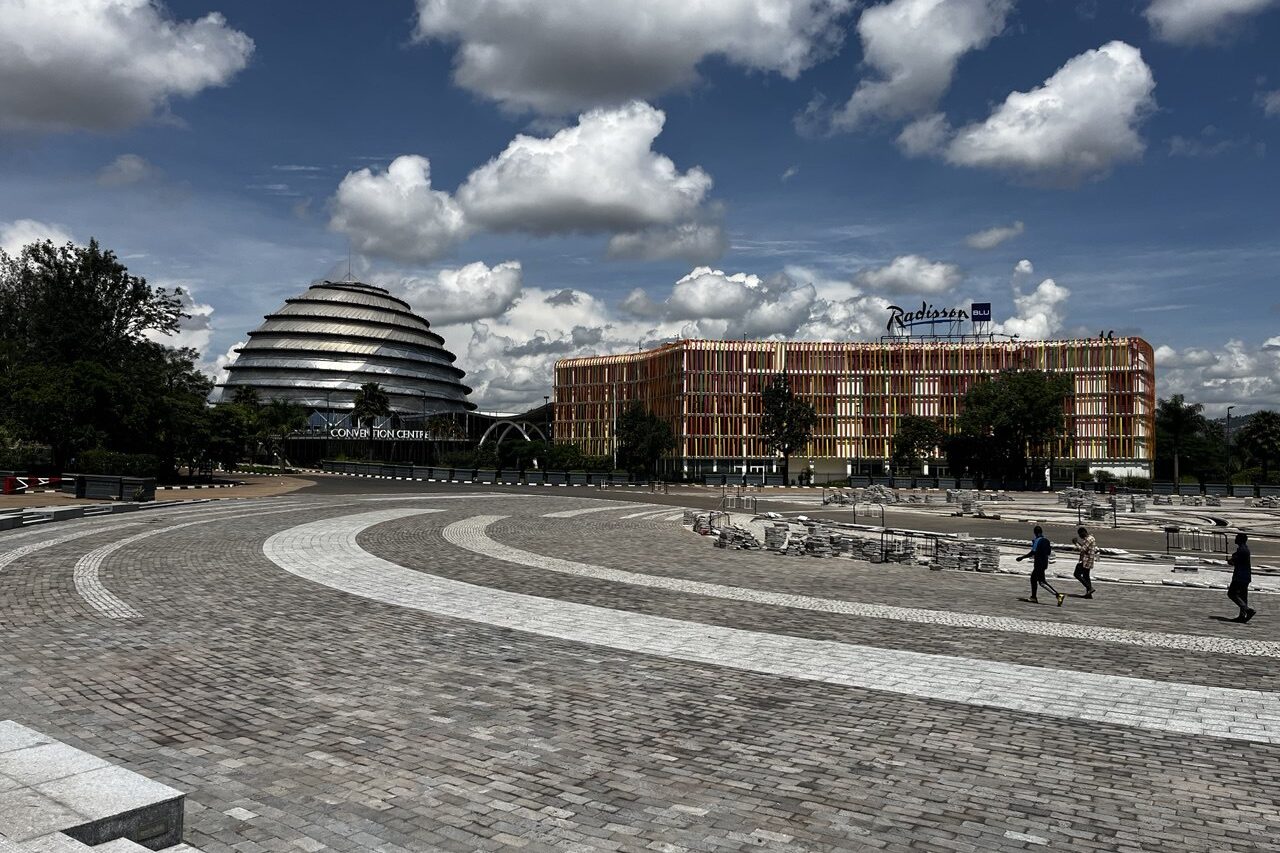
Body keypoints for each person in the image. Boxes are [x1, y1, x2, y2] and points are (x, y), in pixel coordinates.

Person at [1017, 525, 1064, 606]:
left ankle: (1058, 595)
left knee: (1042, 582)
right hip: (1045, 563)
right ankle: (1033, 597)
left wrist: (1022, 557)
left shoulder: (1037, 540)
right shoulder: (1046, 540)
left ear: (1035, 533)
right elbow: (1049, 552)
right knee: (1033, 579)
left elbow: (1033, 552)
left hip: (1039, 563)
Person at [1227, 532, 1256, 623]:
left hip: (1240, 576)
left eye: (1236, 537)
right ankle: (1242, 616)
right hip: (1246, 576)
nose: (1235, 539)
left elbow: (1234, 561)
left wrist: (1231, 560)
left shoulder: (1242, 550)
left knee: (1232, 593)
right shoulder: (1244, 549)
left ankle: (1247, 610)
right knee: (1243, 596)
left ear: (1240, 539)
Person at [1071, 526, 1098, 599]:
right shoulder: (1090, 538)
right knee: (1086, 576)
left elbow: (1082, 550)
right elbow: (1085, 547)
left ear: (1083, 533)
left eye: (1080, 535)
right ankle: (1088, 594)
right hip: (1089, 560)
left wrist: (1076, 543)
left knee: (1076, 574)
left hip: (1085, 560)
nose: (1080, 536)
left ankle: (1090, 588)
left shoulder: (1088, 539)